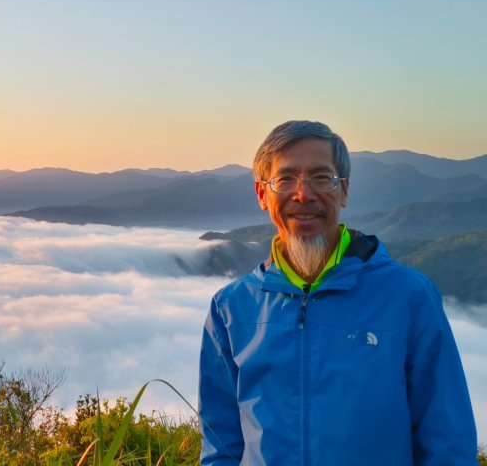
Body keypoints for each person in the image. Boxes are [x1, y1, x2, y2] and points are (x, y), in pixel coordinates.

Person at [198, 120, 477, 465]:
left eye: (321, 178)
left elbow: (447, 441)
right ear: (262, 194)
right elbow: (220, 446)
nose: (304, 194)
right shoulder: (231, 308)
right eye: (285, 179)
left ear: (343, 190)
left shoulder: (409, 296)